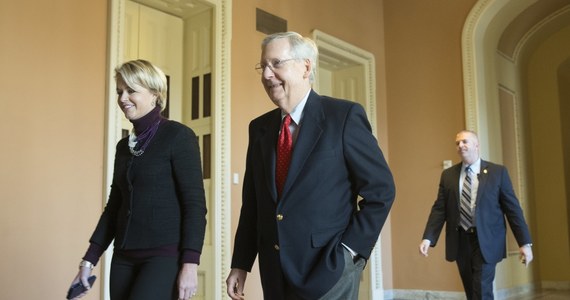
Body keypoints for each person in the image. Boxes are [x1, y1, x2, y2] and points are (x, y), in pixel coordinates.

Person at [226, 31, 396, 300]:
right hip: (275, 273)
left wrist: (351, 253)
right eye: (263, 66)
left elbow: (381, 190)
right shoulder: (258, 128)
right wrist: (241, 263)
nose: (267, 75)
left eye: (276, 64)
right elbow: (254, 204)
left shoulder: (343, 116)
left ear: (306, 66)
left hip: (328, 270)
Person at [68, 59, 207, 300]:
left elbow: (195, 206)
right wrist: (88, 261)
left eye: (131, 91)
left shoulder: (179, 136)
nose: (123, 98)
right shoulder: (124, 147)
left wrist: (190, 263)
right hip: (123, 258)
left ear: (155, 94)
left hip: (163, 258)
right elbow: (114, 207)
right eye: (120, 91)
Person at [419, 130, 533, 300]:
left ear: (477, 145)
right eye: (457, 143)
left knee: (481, 288)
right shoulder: (448, 175)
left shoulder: (497, 172)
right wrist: (428, 238)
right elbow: (440, 209)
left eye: (465, 141)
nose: (460, 146)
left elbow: (513, 209)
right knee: (471, 290)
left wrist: (525, 243)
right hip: (460, 241)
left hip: (486, 240)